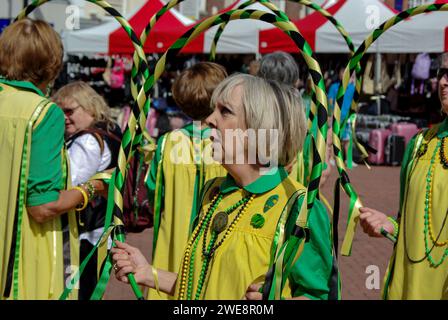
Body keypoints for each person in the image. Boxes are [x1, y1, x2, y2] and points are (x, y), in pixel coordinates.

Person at [112, 74, 335, 300]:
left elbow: (318, 294)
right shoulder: (213, 192)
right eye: (213, 109)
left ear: (258, 127)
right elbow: (202, 287)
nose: (209, 119)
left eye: (225, 111)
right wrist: (148, 273)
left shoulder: (299, 208)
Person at [0, 19, 106, 300]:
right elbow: (43, 207)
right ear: (52, 63)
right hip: (25, 261)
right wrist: (92, 188)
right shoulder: (44, 114)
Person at [359, 53, 448, 300]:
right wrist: (391, 226)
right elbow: (411, 222)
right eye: (441, 73)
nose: (443, 82)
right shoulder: (419, 143)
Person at [145, 62, 228, 299]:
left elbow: (153, 191)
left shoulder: (167, 142)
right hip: (214, 240)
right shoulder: (227, 143)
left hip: (174, 238)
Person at [52, 81, 122, 300]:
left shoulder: (88, 141)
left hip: (85, 234)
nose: (64, 117)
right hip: (98, 229)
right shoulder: (109, 130)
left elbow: (67, 184)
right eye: (60, 112)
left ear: (89, 107)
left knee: (77, 291)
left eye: (70, 111)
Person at [257, 51, 332, 188]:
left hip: (258, 195)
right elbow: (322, 172)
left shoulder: (252, 111)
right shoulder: (306, 111)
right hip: (295, 193)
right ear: (295, 80)